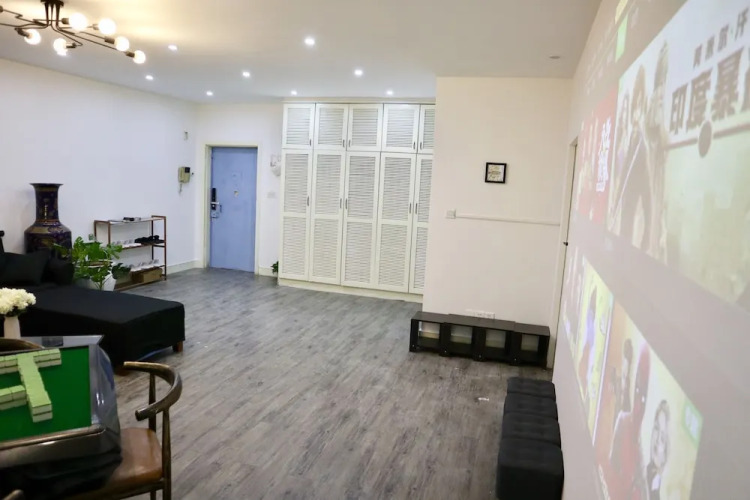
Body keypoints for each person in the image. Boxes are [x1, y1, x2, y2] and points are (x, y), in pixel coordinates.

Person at [614, 66, 652, 250]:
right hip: (627, 198)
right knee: (625, 227)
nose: (636, 114)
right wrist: (616, 202)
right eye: (634, 108)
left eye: (639, 107)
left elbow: (647, 199)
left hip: (640, 185)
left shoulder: (643, 144)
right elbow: (623, 177)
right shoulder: (631, 141)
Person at [610, 346, 651, 500]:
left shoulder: (642, 452)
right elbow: (610, 467)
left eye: (644, 396)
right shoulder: (623, 420)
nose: (639, 401)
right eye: (637, 388)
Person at [646, 400, 671, 500]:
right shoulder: (644, 472)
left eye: (663, 438)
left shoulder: (658, 492)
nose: (657, 441)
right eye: (656, 428)